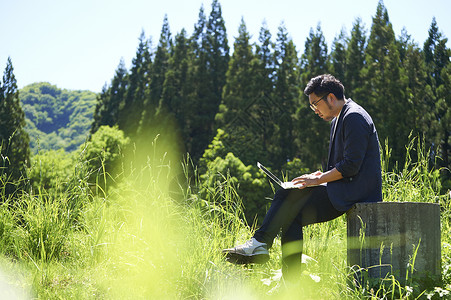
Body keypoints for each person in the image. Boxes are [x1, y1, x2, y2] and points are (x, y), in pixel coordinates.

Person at [222, 74, 382, 282]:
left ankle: (260, 244)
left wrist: (318, 180)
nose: (315, 110)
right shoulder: (339, 119)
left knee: (286, 195)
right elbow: (342, 165)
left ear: (331, 98)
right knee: (291, 215)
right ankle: (290, 284)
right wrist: (319, 176)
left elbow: (351, 166)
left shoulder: (354, 116)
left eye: (315, 104)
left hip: (357, 191)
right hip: (346, 187)